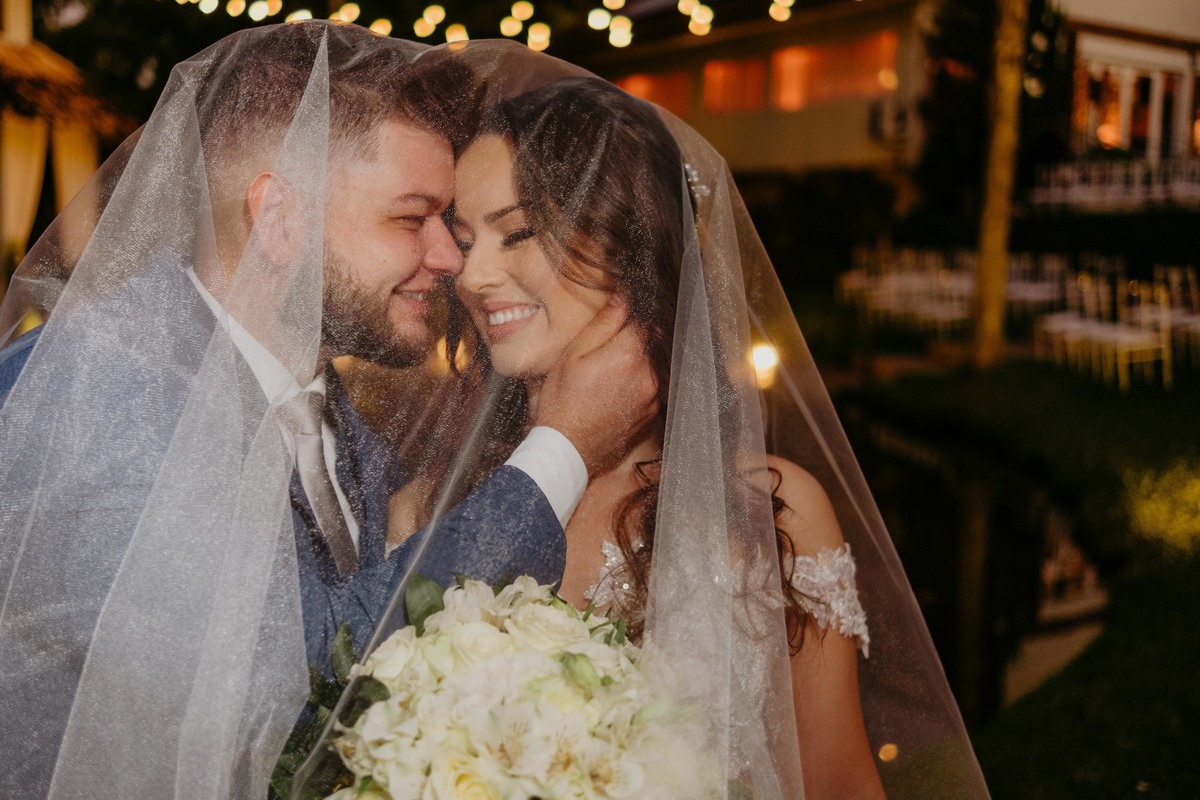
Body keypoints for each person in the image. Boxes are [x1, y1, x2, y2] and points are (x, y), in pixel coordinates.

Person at [0, 23, 654, 799]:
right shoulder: (99, 389)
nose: (451, 260)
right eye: (411, 219)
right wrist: (563, 446)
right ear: (278, 218)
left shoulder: (335, 423)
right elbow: (298, 683)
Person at [367, 45, 992, 800]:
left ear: (628, 244)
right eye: (464, 240)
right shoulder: (427, 511)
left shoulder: (771, 513)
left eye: (520, 231)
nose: (471, 274)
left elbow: (840, 784)